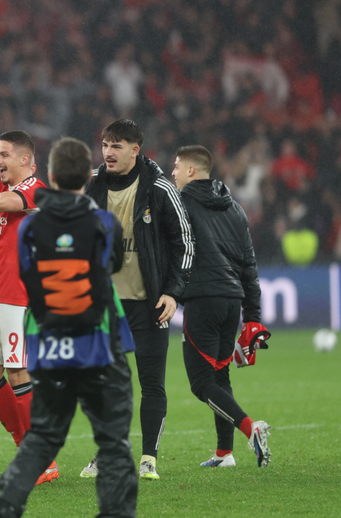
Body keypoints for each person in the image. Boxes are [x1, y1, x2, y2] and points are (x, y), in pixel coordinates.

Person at [0, 137, 138, 518]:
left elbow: (29, 278)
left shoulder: (29, 231)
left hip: (51, 346)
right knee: (113, 442)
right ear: (87, 179)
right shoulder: (103, 223)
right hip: (97, 347)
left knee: (42, 436)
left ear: (50, 175)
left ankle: (4, 507)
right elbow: (113, 265)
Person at [82, 119, 194, 480]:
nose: (108, 152)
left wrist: (174, 292)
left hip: (148, 304)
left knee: (151, 383)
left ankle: (149, 458)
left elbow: (186, 244)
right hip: (105, 305)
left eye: (116, 146)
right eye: (105, 145)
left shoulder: (159, 188)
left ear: (135, 149)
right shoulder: (93, 186)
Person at [0, 131, 58, 485]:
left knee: (18, 374)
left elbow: (1, 204)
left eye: (4, 154)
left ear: (24, 159)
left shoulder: (36, 190)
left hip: (18, 298)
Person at [171, 145, 272, 468]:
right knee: (220, 375)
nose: (172, 173)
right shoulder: (235, 208)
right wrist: (252, 318)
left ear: (190, 171)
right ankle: (223, 453)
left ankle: (250, 428)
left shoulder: (181, 204)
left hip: (202, 299)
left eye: (176, 167)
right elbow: (249, 266)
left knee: (202, 383)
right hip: (232, 302)